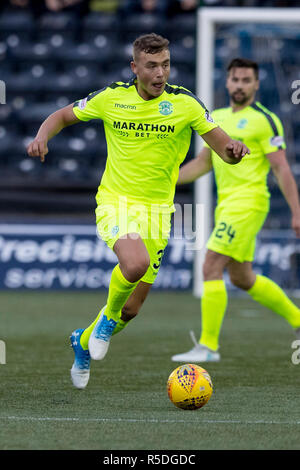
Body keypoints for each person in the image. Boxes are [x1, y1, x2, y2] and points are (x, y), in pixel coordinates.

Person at [27, 34, 249, 389]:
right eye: (152, 65)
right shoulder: (112, 97)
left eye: (165, 64)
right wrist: (42, 135)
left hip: (158, 212)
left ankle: (82, 341)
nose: (160, 73)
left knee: (132, 311)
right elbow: (64, 115)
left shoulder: (185, 103)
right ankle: (104, 321)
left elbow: (223, 148)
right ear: (135, 67)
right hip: (116, 201)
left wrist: (234, 152)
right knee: (134, 265)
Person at [171, 57, 300, 363]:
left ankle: (208, 347)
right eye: (235, 79)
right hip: (227, 204)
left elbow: (281, 169)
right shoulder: (214, 117)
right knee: (243, 278)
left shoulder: (265, 119)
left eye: (246, 80)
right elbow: (203, 163)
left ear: (256, 84)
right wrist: (167, 177)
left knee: (211, 266)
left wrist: (296, 211)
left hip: (249, 203)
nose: (240, 85)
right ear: (227, 82)